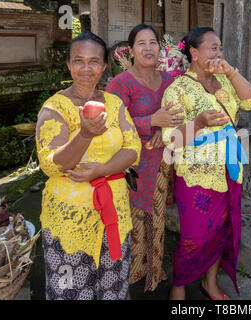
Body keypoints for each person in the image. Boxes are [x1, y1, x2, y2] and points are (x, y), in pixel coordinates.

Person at [36, 32, 142, 300]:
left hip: (113, 213)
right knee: (71, 291)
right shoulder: (55, 108)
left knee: (111, 287)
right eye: (78, 61)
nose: (86, 68)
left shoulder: (114, 104)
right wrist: (84, 135)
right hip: (70, 219)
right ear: (69, 65)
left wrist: (102, 170)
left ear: (104, 66)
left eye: (93, 61)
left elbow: (133, 148)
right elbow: (51, 166)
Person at [161, 27, 251, 300]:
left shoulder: (225, 80)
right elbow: (170, 140)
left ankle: (211, 282)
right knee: (193, 237)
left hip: (228, 169)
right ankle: (179, 286)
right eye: (212, 47)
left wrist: (231, 72)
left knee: (221, 230)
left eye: (220, 48)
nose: (218, 53)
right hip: (195, 174)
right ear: (194, 53)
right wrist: (199, 122)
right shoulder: (178, 89)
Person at [106, 24, 183, 292]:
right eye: (141, 43)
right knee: (133, 218)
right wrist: (151, 120)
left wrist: (163, 128)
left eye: (153, 42)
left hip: (161, 163)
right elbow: (113, 125)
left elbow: (178, 115)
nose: (148, 47)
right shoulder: (119, 83)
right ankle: (131, 271)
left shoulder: (170, 82)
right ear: (131, 50)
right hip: (131, 165)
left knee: (158, 216)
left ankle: (153, 267)